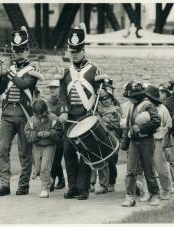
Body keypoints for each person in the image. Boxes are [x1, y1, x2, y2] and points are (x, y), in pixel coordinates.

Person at [58, 23, 107, 200]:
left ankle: (83, 188)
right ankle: (72, 187)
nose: (75, 54)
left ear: (83, 50)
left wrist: (104, 92)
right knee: (68, 151)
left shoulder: (94, 69)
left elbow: (106, 88)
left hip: (86, 115)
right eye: (72, 51)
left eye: (77, 51)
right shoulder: (66, 72)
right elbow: (62, 94)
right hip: (70, 117)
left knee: (86, 153)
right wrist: (63, 111)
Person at [0, 26, 43, 196]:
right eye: (16, 51)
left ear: (28, 51)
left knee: (24, 152)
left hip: (24, 115)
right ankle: (5, 184)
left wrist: (8, 73)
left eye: (22, 50)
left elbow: (23, 85)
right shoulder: (10, 69)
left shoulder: (33, 70)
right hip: (7, 114)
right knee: (3, 150)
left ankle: (23, 184)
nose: (19, 54)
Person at [120, 81, 161, 207]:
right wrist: (124, 144)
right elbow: (128, 126)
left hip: (146, 141)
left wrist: (141, 128)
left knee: (148, 169)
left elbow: (156, 121)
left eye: (130, 95)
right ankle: (130, 197)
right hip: (133, 141)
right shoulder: (132, 106)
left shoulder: (148, 105)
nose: (129, 98)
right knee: (130, 170)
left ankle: (154, 195)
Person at [24, 99, 62, 198]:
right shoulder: (31, 120)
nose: (41, 116)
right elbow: (27, 134)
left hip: (49, 146)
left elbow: (59, 132)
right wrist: (37, 134)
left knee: (45, 168)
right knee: (37, 170)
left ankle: (45, 189)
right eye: (38, 114)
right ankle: (48, 180)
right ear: (35, 113)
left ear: (46, 110)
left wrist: (50, 133)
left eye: (43, 114)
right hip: (37, 146)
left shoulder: (53, 118)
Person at [90, 80, 122, 194]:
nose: (106, 101)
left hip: (112, 137)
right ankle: (98, 184)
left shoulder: (116, 109)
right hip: (100, 137)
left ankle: (111, 182)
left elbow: (116, 123)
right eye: (104, 99)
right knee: (99, 160)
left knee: (111, 161)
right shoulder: (97, 109)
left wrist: (103, 119)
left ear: (112, 98)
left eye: (108, 98)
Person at [144, 85, 173, 200]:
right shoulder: (141, 107)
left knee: (160, 167)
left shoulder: (162, 108)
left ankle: (166, 189)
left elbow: (169, 123)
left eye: (147, 97)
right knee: (147, 168)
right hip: (144, 140)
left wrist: (165, 130)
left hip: (158, 140)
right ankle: (150, 192)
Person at [46, 79, 66, 191]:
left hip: (61, 134)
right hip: (50, 134)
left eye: (55, 87)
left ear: (60, 89)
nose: (52, 89)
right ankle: (62, 179)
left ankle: (52, 179)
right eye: (51, 88)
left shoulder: (63, 102)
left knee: (56, 157)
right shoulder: (47, 102)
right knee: (53, 158)